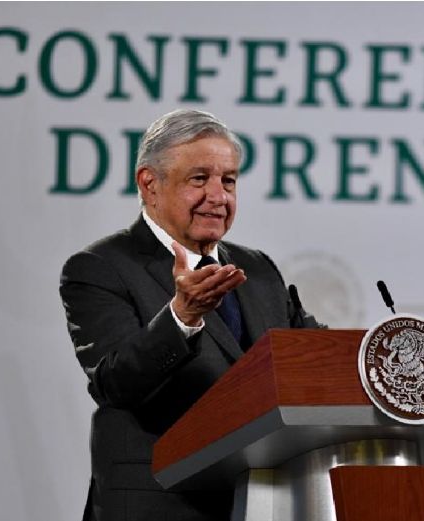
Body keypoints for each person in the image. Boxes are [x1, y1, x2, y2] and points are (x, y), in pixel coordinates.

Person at [60, 109, 321, 521]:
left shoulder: (258, 269)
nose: (218, 196)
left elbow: (311, 353)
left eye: (228, 181)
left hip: (258, 501)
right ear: (150, 184)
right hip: (157, 503)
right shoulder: (100, 267)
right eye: (199, 179)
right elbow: (115, 382)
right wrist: (182, 316)